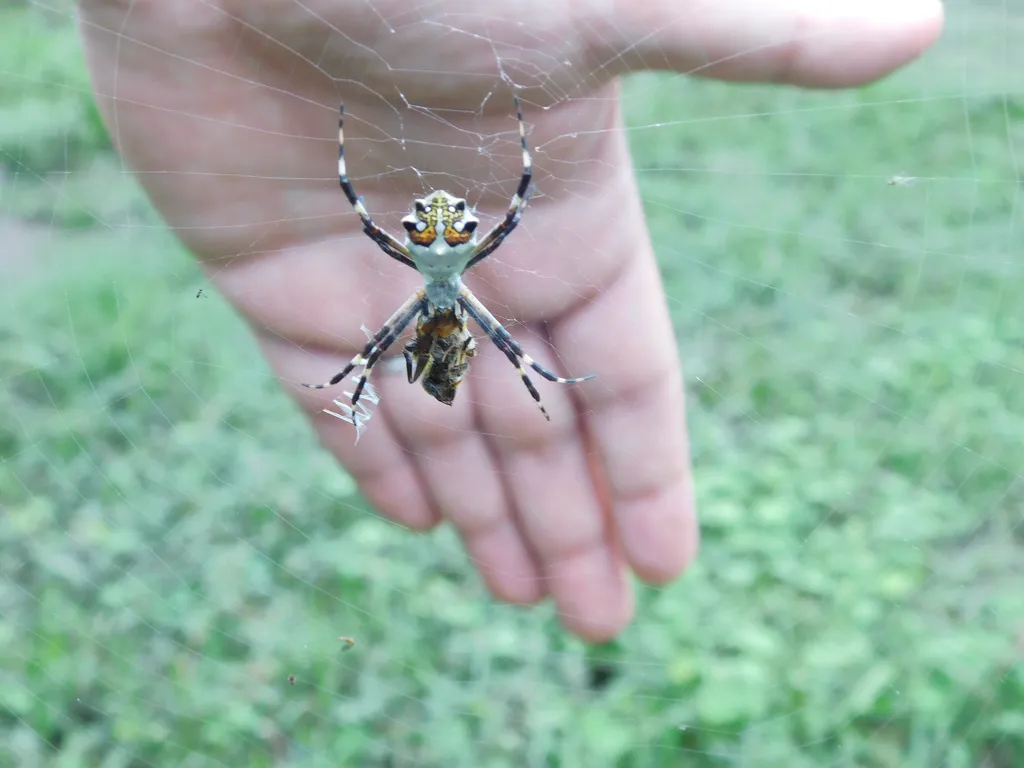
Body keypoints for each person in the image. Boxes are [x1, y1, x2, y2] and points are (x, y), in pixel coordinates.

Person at [77, 0, 944, 641]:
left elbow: (451, 211)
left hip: (433, 252)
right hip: (447, 251)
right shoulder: (455, 271)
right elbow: (477, 212)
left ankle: (420, 388)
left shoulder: (414, 267)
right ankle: (513, 387)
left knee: (397, 358)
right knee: (483, 357)